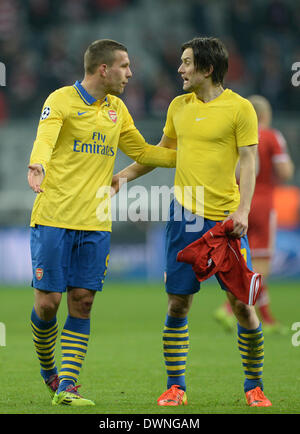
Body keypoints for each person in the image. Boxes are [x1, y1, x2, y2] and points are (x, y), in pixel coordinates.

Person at [111, 37, 272, 407]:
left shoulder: (240, 108)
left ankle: (254, 386)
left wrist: (243, 210)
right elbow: (161, 153)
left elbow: (249, 160)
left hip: (226, 221)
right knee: (178, 304)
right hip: (184, 217)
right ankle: (176, 387)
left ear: (207, 68)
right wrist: (124, 176)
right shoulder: (178, 107)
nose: (180, 70)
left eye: (186, 63)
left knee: (241, 305)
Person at [27, 39, 176, 407]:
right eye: (124, 66)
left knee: (82, 301)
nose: (130, 73)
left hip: (95, 222)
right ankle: (50, 370)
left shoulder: (118, 109)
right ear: (103, 69)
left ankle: (68, 386)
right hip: (53, 217)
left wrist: (192, 154)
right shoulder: (60, 100)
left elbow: (141, 152)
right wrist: (38, 164)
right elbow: (44, 139)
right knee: (48, 305)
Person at [215, 95, 294, 333]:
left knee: (243, 262)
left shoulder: (233, 135)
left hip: (236, 205)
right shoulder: (271, 136)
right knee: (261, 267)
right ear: (265, 116)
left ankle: (267, 319)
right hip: (262, 205)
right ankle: (228, 309)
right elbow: (285, 171)